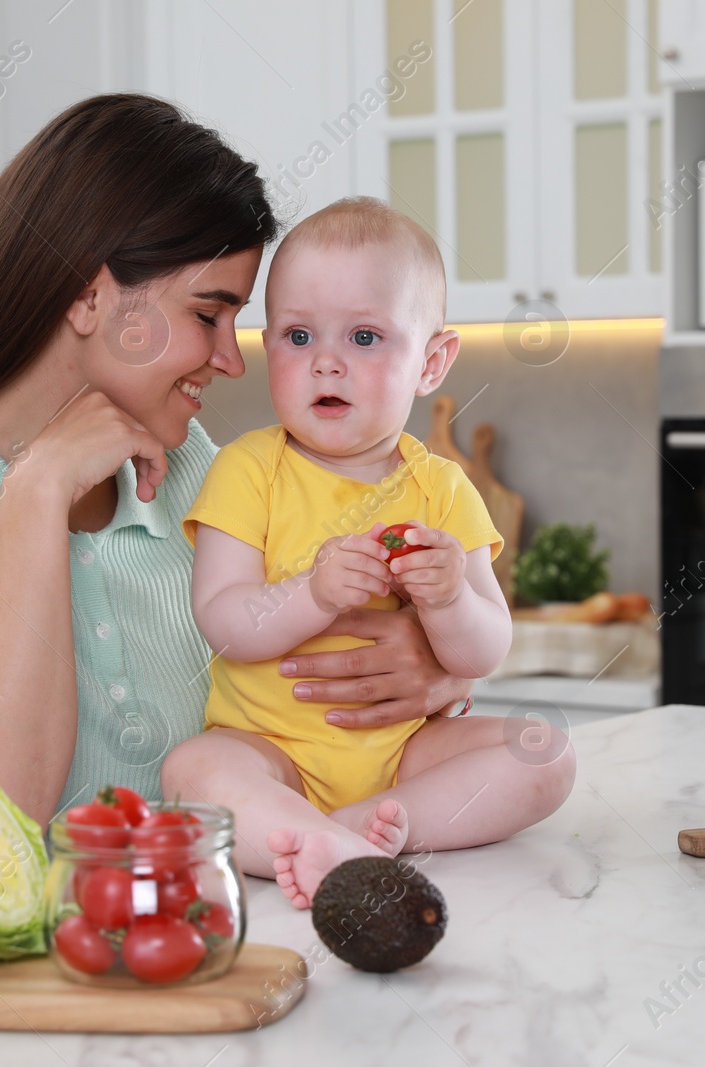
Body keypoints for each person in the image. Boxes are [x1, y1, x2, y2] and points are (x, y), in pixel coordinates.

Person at [0, 95, 475, 835]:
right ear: (88, 293)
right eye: (208, 314)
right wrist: (37, 494)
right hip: (44, 949)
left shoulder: (188, 466)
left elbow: (302, 675)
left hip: (240, 924)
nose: (230, 359)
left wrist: (437, 669)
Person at [162, 199, 576, 909]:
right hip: (271, 748)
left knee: (547, 750)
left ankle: (368, 829)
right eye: (298, 335)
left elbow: (485, 650)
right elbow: (223, 618)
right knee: (193, 768)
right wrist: (313, 594)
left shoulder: (442, 487)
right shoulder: (247, 467)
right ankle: (309, 828)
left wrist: (448, 599)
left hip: (408, 753)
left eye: (364, 336)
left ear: (432, 362)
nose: (326, 360)